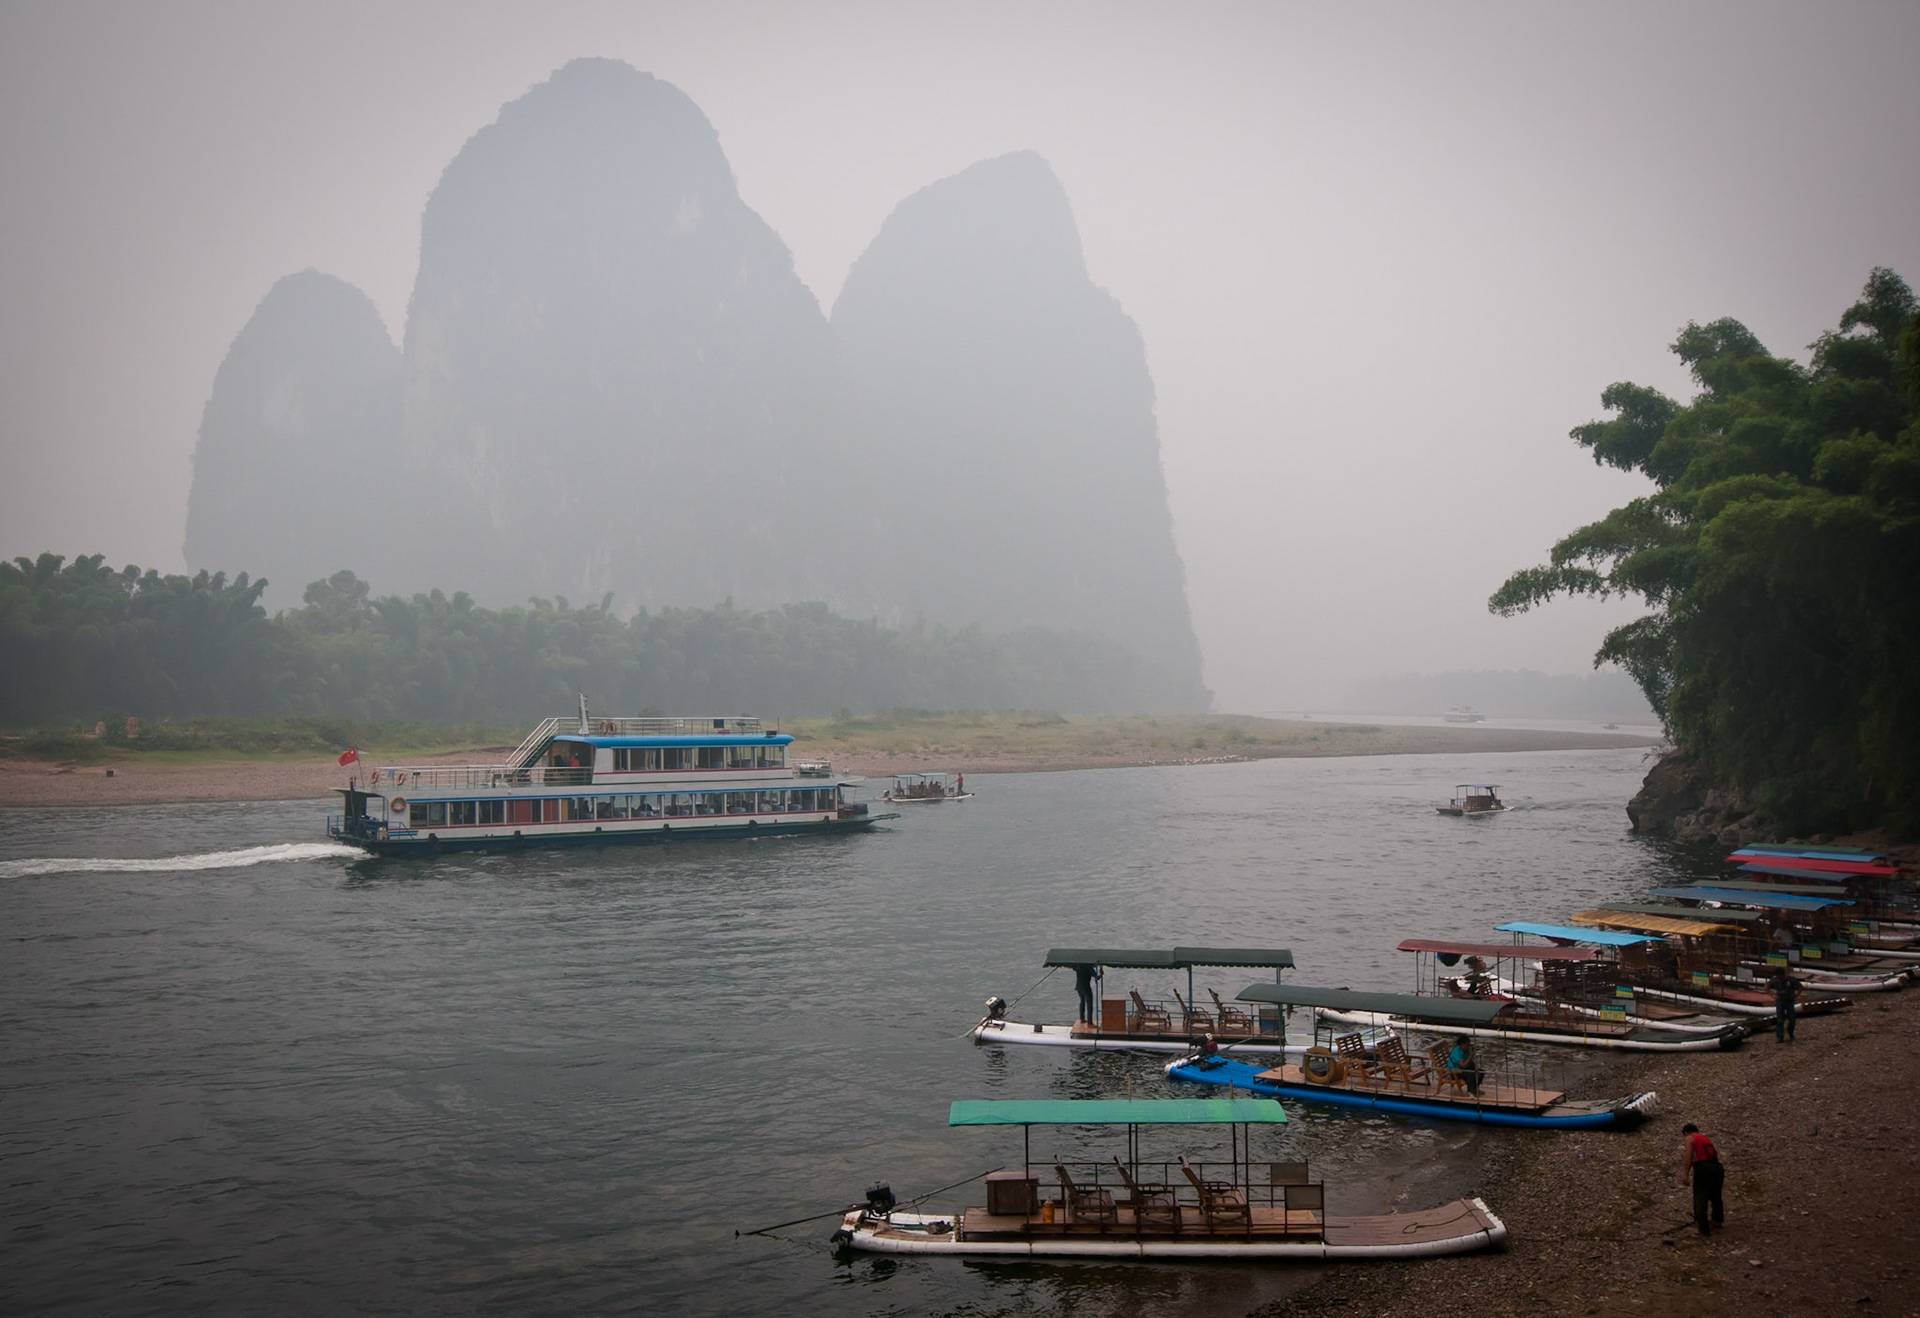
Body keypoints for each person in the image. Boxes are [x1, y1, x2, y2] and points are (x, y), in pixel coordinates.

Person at [1680, 1123, 1724, 1235]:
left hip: (1703, 1167)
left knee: (1701, 1197)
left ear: (1686, 1132)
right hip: (1717, 1167)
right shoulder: (1705, 1138)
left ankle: (1703, 1228)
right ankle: (1717, 1220)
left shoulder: (1690, 1138)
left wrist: (1686, 1174)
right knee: (1716, 1195)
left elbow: (1689, 1156)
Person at [1769, 965, 1800, 1042]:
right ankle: (1780, 1036)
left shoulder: (1791, 979)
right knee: (1780, 1019)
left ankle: (1790, 1031)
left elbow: (1800, 987)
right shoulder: (1775, 980)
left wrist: (1797, 994)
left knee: (1792, 1019)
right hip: (1780, 1001)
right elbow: (1766, 987)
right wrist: (1773, 995)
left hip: (1790, 1000)